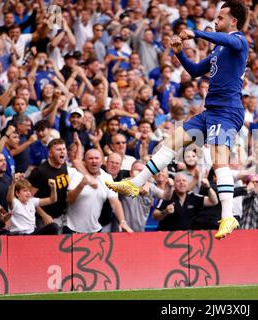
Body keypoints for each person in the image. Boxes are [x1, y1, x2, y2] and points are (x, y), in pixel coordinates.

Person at [105, 0, 249, 240]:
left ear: (233, 21)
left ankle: (227, 216)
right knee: (170, 143)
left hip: (227, 111)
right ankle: (135, 183)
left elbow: (228, 39)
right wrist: (179, 52)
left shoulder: (239, 40)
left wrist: (196, 33)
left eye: (221, 18)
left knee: (219, 161)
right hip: (211, 111)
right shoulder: (218, 49)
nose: (216, 20)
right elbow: (194, 71)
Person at [153, 172, 218, 231]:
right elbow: (155, 216)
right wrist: (165, 211)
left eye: (184, 180)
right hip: (166, 237)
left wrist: (208, 187)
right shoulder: (168, 196)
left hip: (187, 238)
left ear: (188, 184)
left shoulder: (193, 196)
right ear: (174, 185)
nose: (181, 183)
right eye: (178, 181)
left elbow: (213, 201)